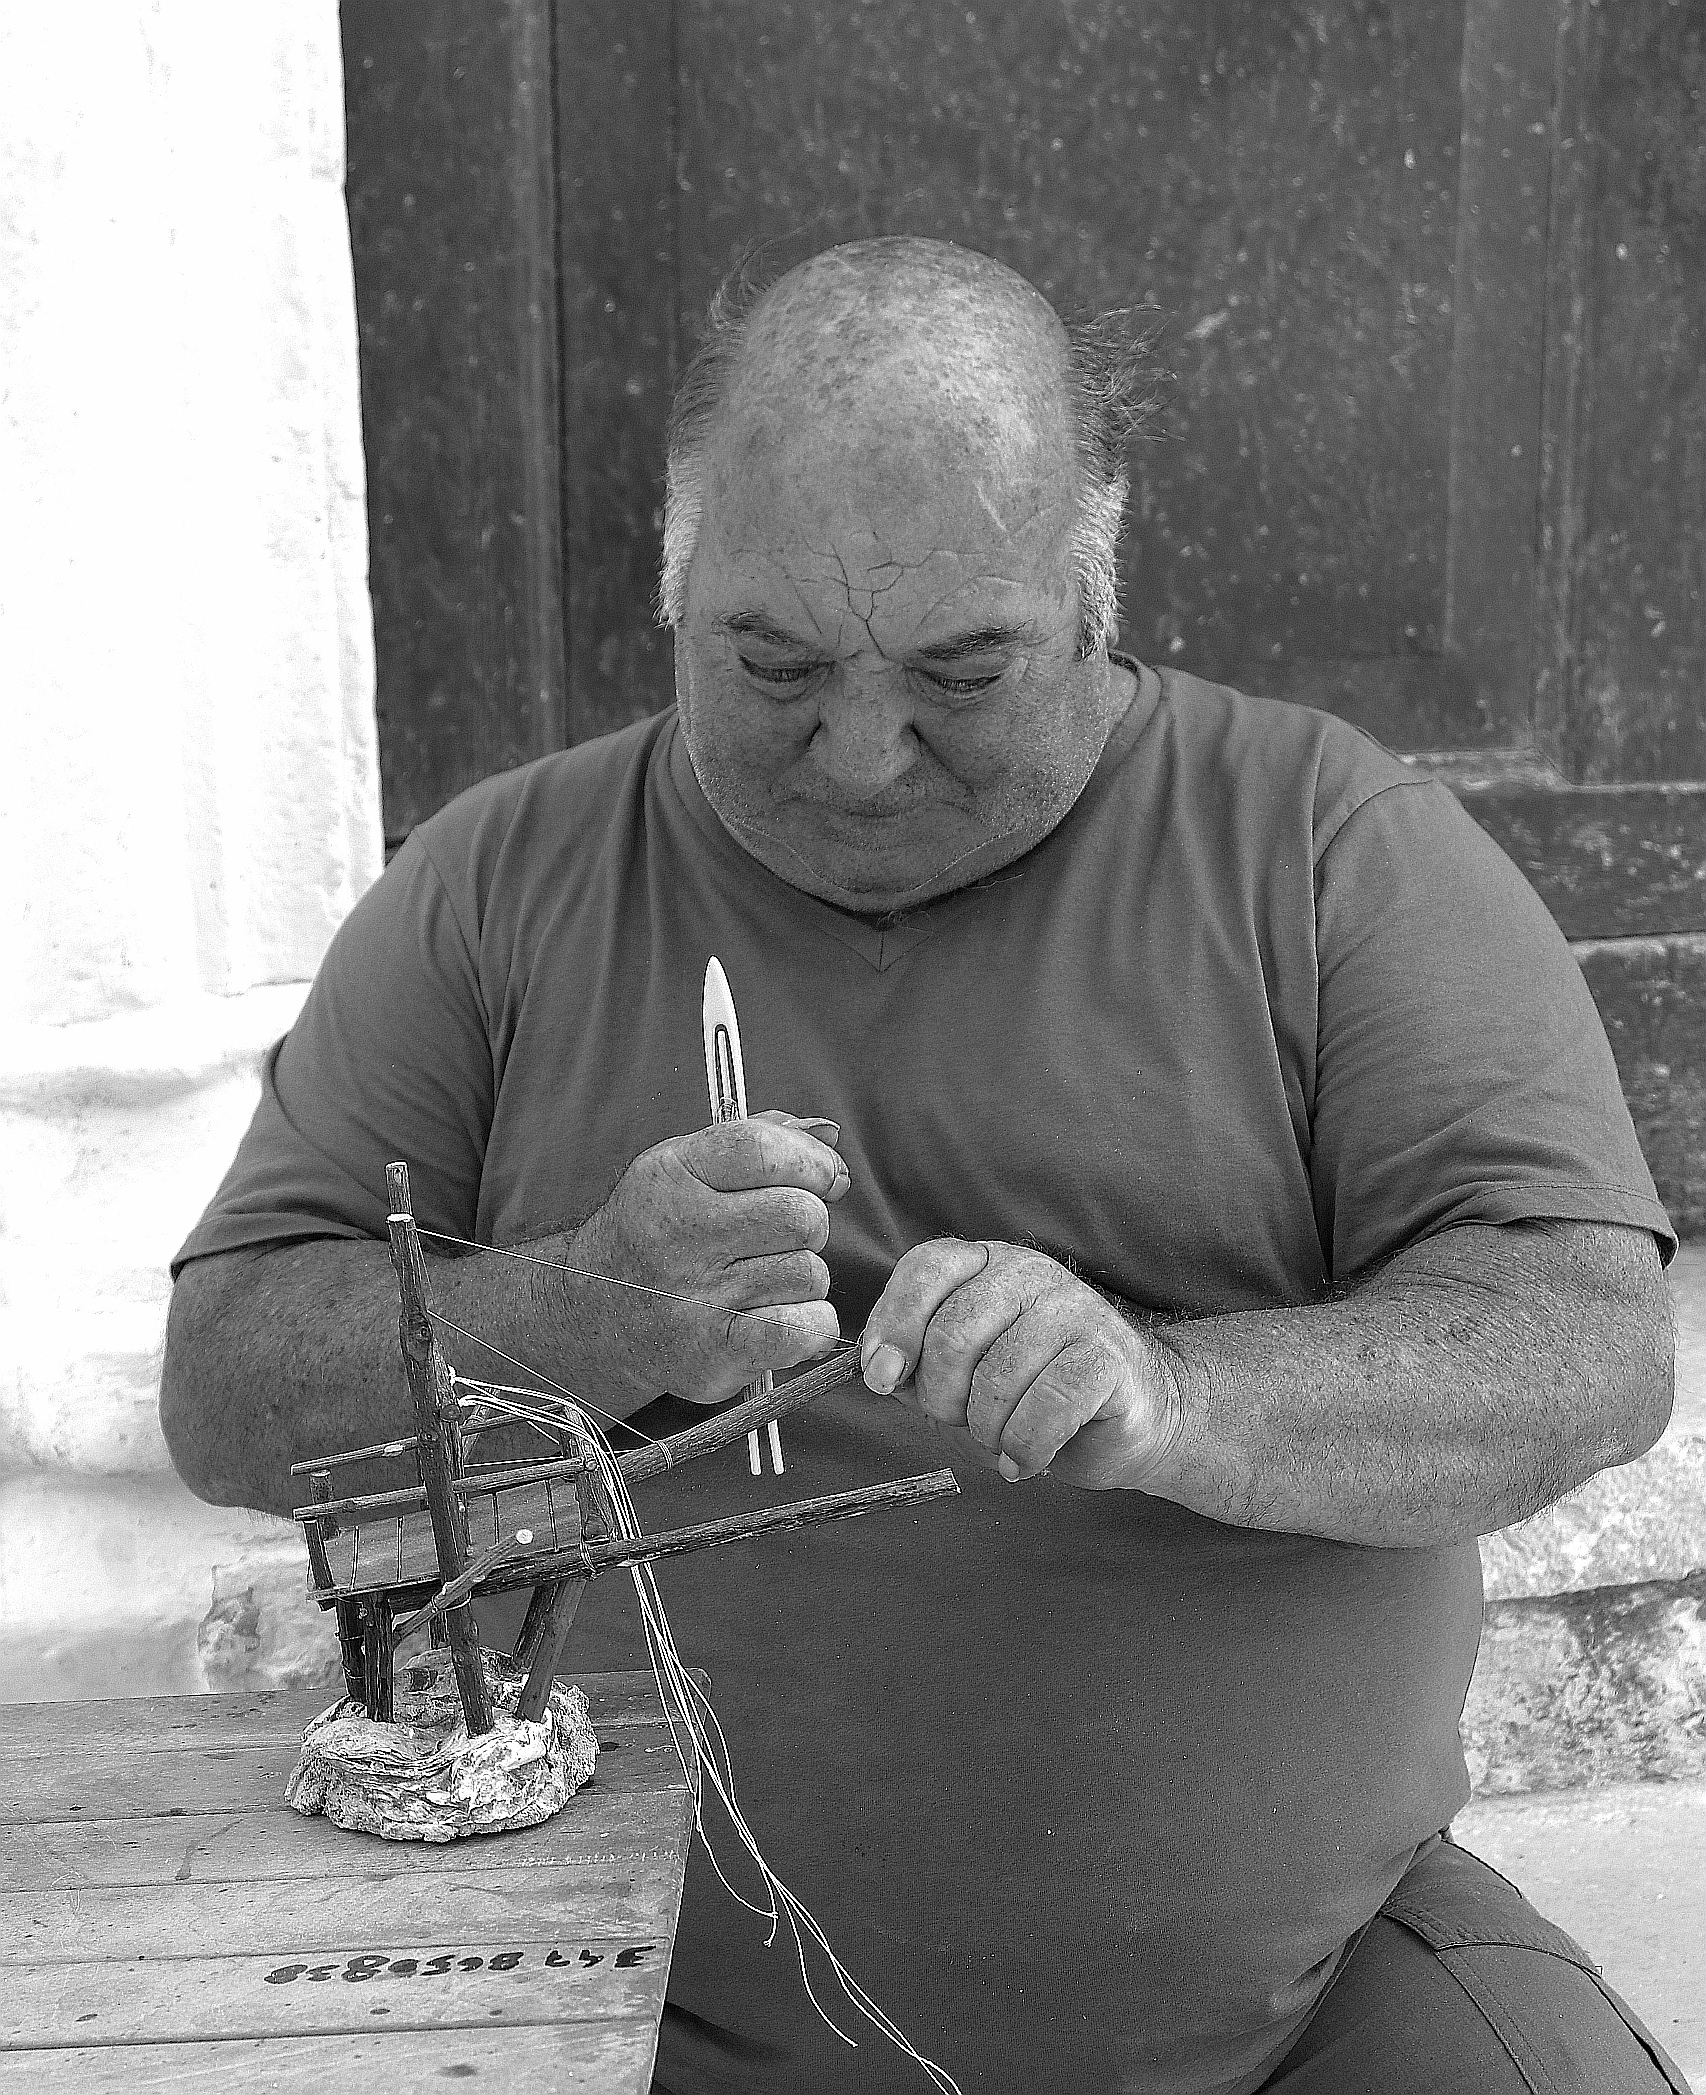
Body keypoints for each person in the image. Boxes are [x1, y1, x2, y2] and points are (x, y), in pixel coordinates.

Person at [160, 239, 1689, 2095]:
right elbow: (233, 1390)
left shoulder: (1327, 846)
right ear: (675, 569)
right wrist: (577, 1312)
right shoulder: (494, 884)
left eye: (962, 669)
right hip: (590, 2009)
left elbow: (1580, 1344)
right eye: (774, 665)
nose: (864, 754)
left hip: (1295, 2015)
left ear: (1092, 572)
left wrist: (1174, 1392)